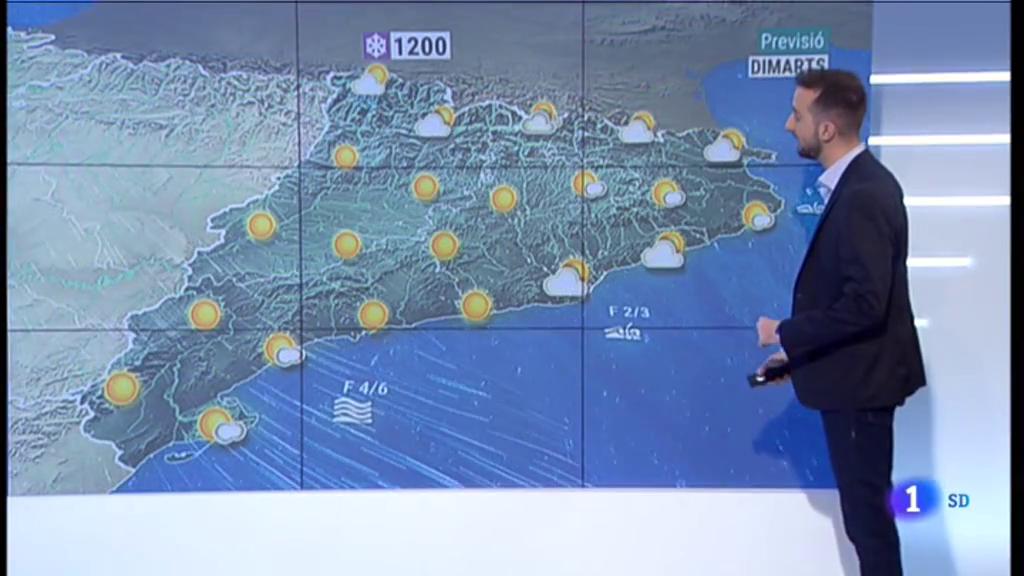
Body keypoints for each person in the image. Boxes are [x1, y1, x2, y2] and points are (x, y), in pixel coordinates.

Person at [754, 69, 926, 576]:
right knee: (867, 521)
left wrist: (785, 331)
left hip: (860, 389)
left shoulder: (864, 194)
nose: (789, 125)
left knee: (869, 524)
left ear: (827, 129)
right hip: (856, 381)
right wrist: (796, 357)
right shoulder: (859, 186)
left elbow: (866, 305)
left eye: (798, 115)